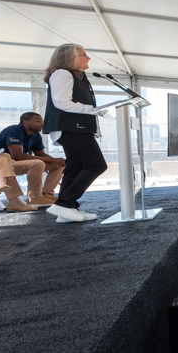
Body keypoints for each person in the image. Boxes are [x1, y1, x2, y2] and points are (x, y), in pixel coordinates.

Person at [42, 44, 108, 223]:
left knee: (75, 167)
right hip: (71, 128)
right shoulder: (62, 73)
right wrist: (92, 109)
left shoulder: (77, 76)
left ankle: (66, 210)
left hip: (76, 128)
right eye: (84, 55)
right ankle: (64, 204)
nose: (88, 59)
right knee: (96, 165)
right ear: (71, 58)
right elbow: (61, 102)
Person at [0, 112, 65, 206]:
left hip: (14, 164)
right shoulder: (14, 130)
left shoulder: (35, 135)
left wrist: (57, 161)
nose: (41, 123)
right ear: (25, 122)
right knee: (37, 164)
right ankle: (34, 198)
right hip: (0, 165)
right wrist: (52, 160)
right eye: (38, 121)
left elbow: (40, 154)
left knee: (58, 165)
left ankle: (47, 194)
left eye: (42, 121)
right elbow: (18, 156)